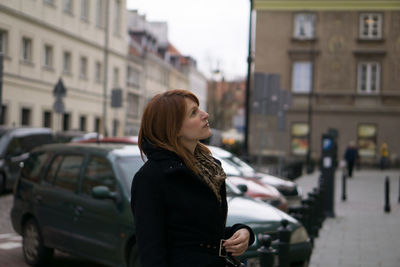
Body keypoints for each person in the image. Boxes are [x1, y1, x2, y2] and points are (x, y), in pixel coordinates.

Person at [131, 89, 255, 267]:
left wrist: (242, 232)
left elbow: (201, 237)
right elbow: (152, 255)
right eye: (193, 113)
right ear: (173, 127)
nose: (205, 115)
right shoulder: (151, 178)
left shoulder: (210, 167)